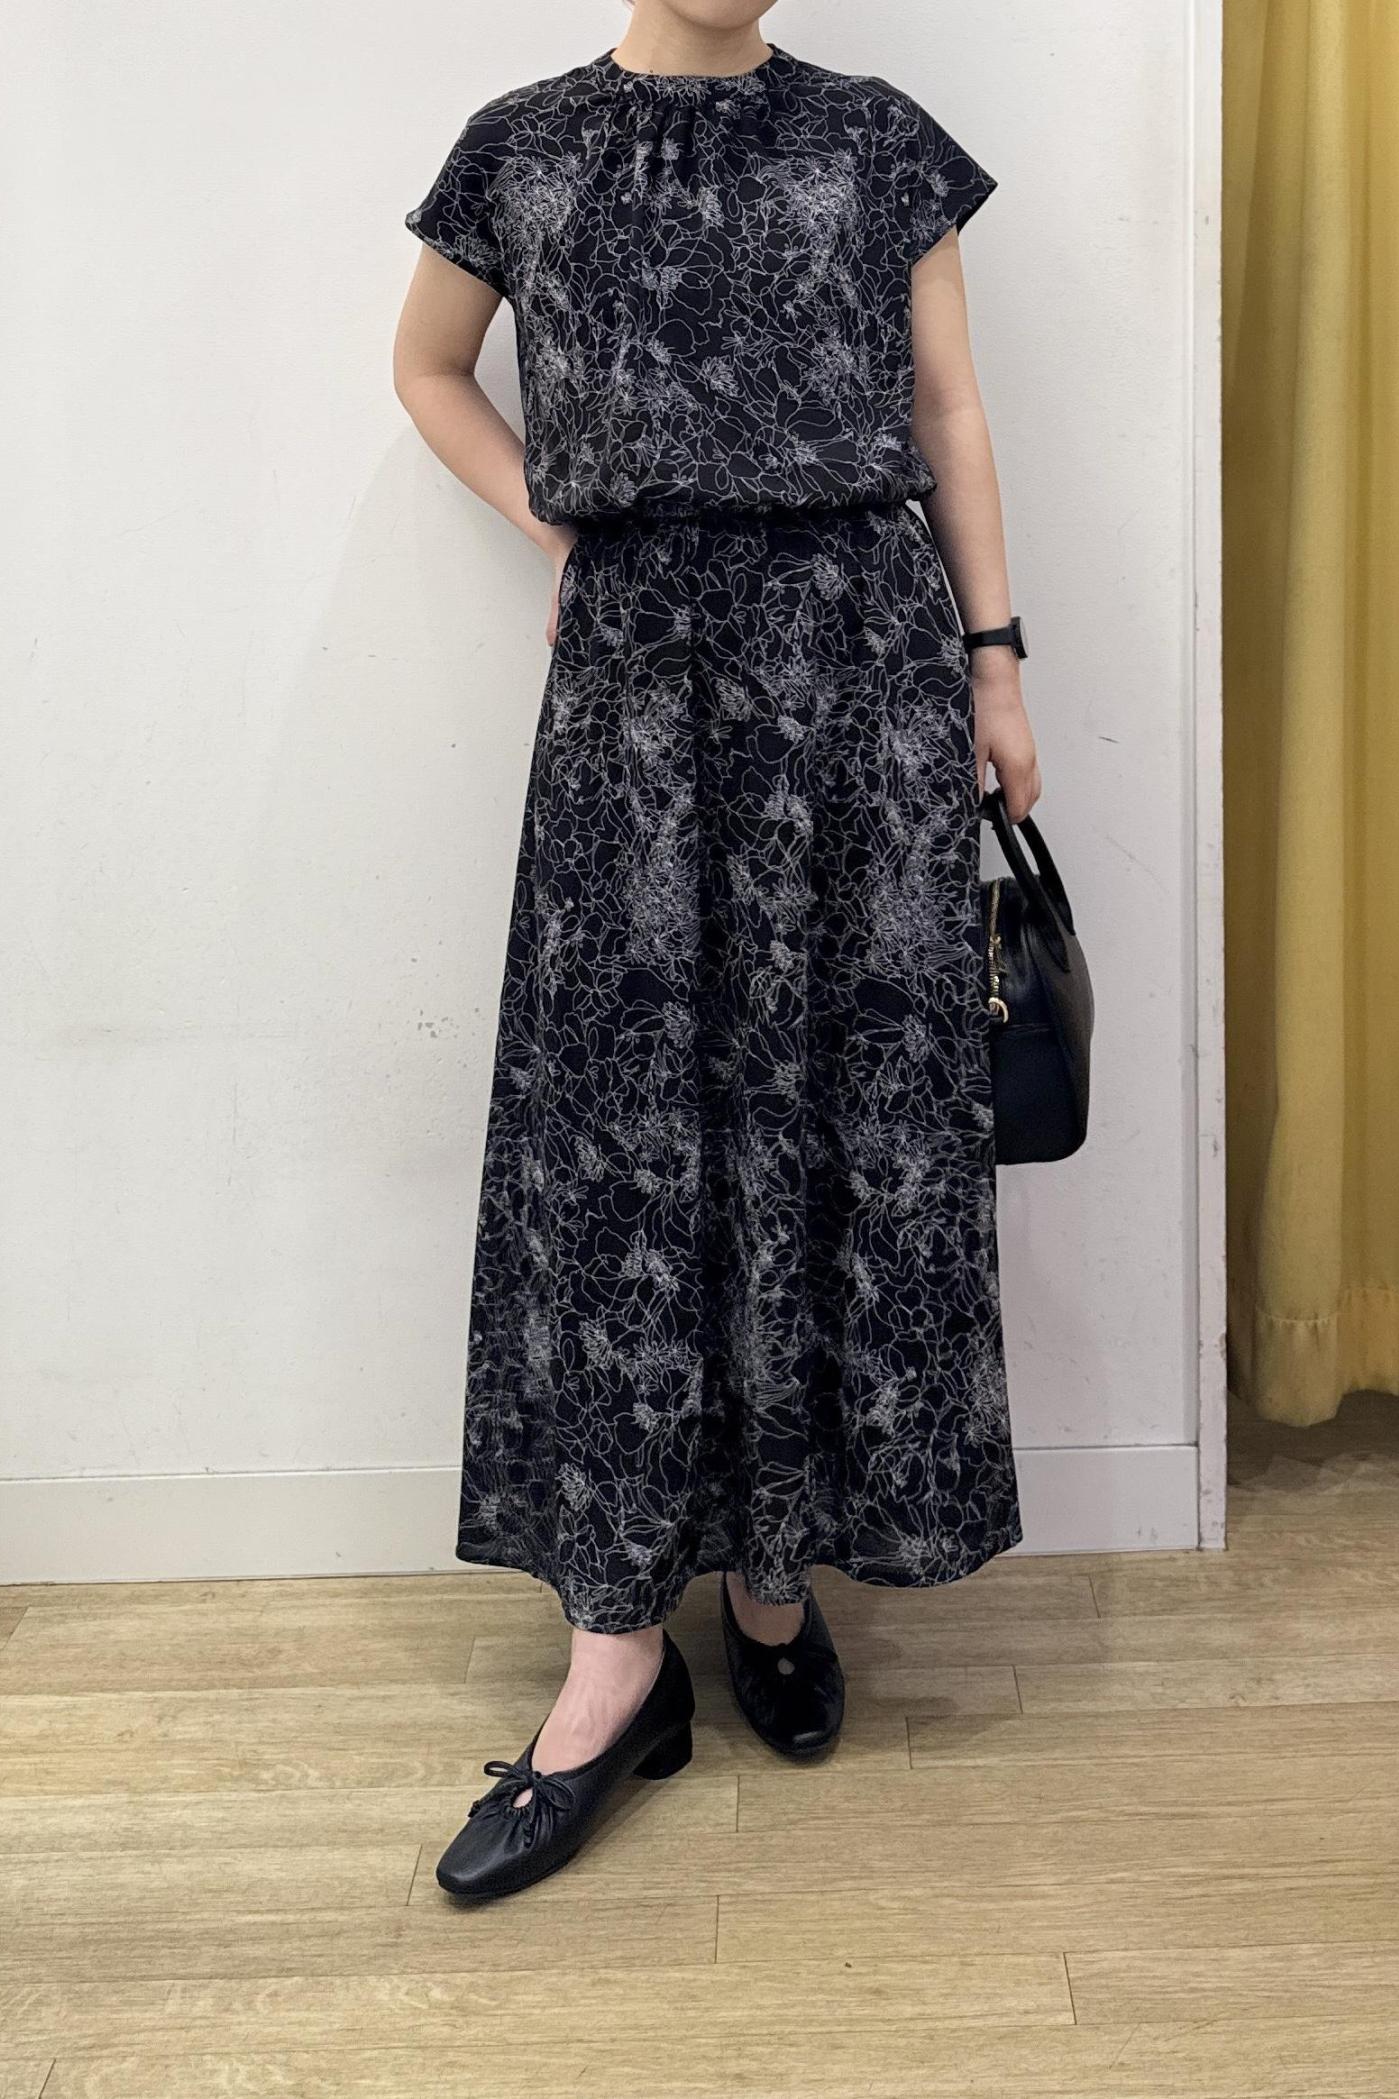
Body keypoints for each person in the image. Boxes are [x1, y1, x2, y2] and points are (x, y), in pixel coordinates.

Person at [392, 0, 1040, 1903]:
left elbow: (948, 411)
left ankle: (772, 1582)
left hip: (864, 669)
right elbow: (426, 368)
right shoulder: (521, 144)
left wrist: (997, 662)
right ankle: (616, 1658)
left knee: (833, 1120)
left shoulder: (878, 136)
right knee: (623, 1137)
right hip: (639, 684)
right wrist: (560, 525)